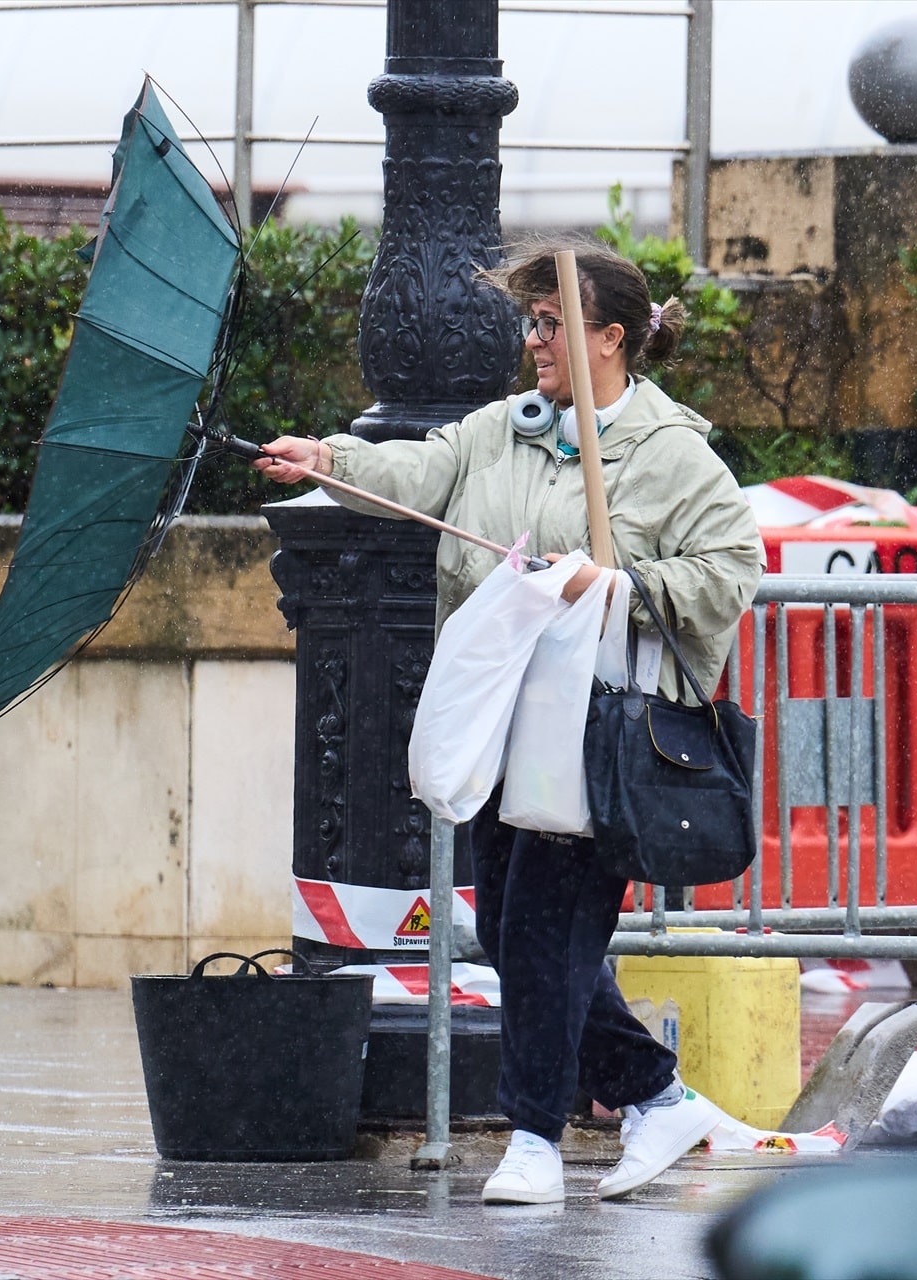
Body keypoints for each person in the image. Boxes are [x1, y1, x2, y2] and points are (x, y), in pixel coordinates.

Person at [254, 243, 762, 1205]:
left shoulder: (671, 453)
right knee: (518, 926)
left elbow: (731, 568)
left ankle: (532, 1135)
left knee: (540, 929)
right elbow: (425, 467)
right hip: (504, 722)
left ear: (610, 339)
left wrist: (620, 582)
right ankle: (656, 1096)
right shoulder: (506, 431)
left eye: (550, 324)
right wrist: (329, 459)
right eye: (529, 323)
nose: (532, 341)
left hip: (593, 739)